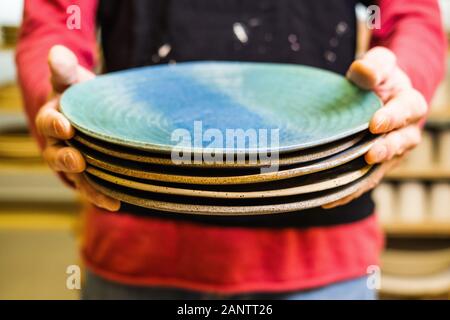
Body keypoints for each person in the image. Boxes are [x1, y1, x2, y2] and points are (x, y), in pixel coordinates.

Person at [16, 0, 446, 299]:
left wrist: (401, 79)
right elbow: (57, 21)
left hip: (321, 258)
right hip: (134, 249)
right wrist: (60, 102)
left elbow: (411, 16)